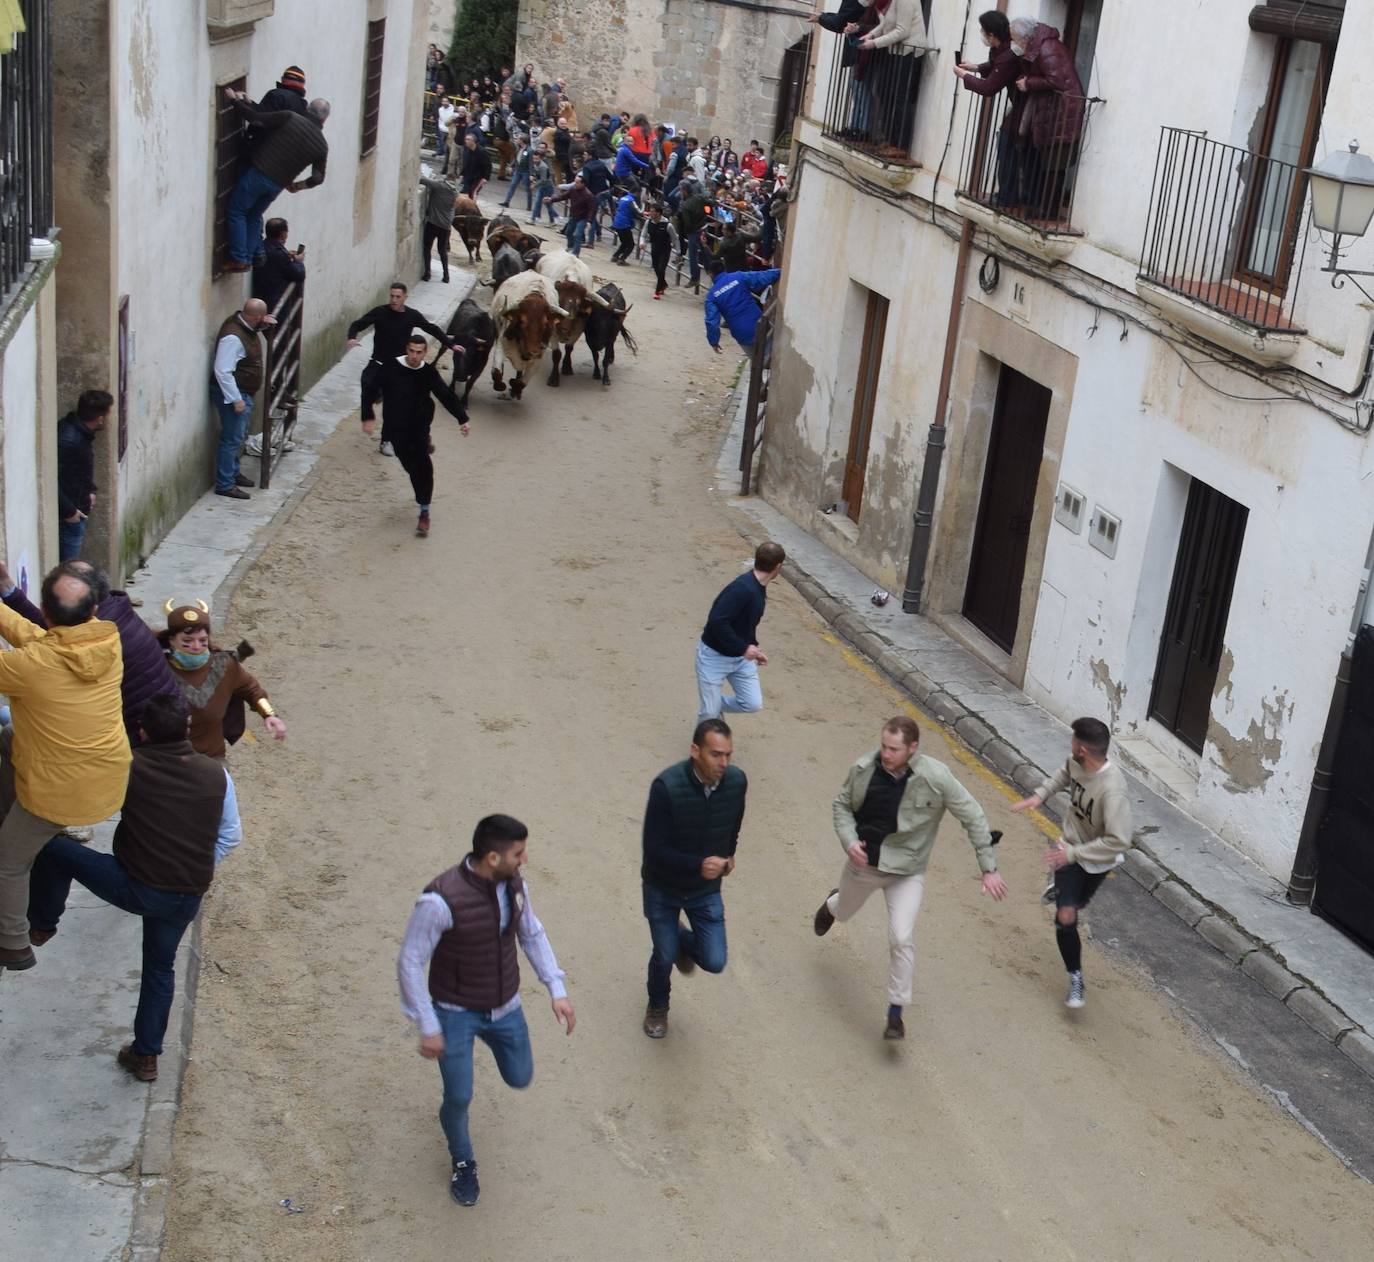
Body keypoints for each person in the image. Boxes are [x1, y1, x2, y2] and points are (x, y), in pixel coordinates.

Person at [27, 693, 242, 1081]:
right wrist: (190, 869)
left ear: (142, 731)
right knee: (159, 971)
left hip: (134, 885)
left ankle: (42, 923)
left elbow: (85, 806)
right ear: (187, 730)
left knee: (53, 848)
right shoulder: (217, 775)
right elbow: (231, 836)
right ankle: (146, 1057)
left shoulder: (128, 767)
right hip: (186, 897)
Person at [397, 814, 574, 1207]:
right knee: (459, 1096)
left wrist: (556, 989)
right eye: (519, 853)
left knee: (520, 1075)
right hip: (454, 1012)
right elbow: (410, 961)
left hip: (505, 1007)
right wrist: (428, 1025)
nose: (525, 859)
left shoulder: (514, 886)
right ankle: (463, 1160)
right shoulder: (439, 900)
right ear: (493, 857)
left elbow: (531, 933)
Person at [814, 716, 1007, 1038]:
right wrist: (849, 842)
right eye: (884, 746)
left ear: (913, 748)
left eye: (894, 749)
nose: (885, 754)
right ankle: (831, 905)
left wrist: (988, 868)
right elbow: (841, 806)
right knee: (844, 912)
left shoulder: (936, 777)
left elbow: (972, 815)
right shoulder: (863, 769)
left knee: (901, 938)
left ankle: (895, 1012)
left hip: (907, 872)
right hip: (864, 867)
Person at [0, 564, 130, 971]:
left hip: (59, 792)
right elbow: (43, 640)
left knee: (9, 861)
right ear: (94, 610)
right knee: (7, 742)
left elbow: (38, 652)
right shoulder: (107, 639)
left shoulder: (30, 666)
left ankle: (14, 944)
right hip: (106, 777)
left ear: (44, 608)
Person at [1012, 716, 1133, 1010]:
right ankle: (1075, 975)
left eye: (1073, 741)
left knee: (1076, 904)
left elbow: (1119, 841)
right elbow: (1064, 774)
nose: (1071, 745)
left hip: (1097, 859)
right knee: (1066, 917)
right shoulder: (1076, 761)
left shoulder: (1112, 790)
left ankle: (1063, 889)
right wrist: (1040, 795)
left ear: (1083, 749)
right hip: (1070, 847)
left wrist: (1074, 856)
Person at [640, 719, 747, 1039]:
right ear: (695, 751)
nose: (723, 763)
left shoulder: (737, 782)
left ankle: (680, 942)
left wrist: (728, 855)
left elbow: (734, 823)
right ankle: (658, 1007)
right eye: (716, 754)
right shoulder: (667, 787)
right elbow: (653, 850)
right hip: (663, 887)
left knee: (714, 960)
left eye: (727, 754)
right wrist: (698, 865)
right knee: (663, 954)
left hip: (704, 890)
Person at [0, 559, 177, 747]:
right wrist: (8, 590)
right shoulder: (108, 632)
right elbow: (44, 631)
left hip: (143, 742)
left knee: (13, 735)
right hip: (125, 745)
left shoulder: (46, 659)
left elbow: (44, 635)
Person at [361, 334, 469, 538]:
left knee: (423, 468)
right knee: (409, 465)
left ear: (425, 353)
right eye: (411, 351)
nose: (414, 356)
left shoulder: (428, 372)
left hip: (419, 427)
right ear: (406, 349)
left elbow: (445, 395)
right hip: (396, 429)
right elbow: (370, 389)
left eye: (419, 352)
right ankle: (420, 486)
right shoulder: (391, 367)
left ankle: (424, 511)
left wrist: (462, 419)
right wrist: (368, 416)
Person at [159, 601, 286, 759]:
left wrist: (269, 714)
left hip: (212, 756)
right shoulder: (157, 669)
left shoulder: (224, 665)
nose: (196, 646)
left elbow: (252, 689)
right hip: (168, 758)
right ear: (172, 640)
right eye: (187, 642)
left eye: (202, 641)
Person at [221, 88, 329, 270]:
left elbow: (256, 119)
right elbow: (318, 178)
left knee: (237, 211)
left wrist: (234, 101)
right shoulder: (321, 145)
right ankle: (246, 258)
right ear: (324, 119)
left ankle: (239, 257)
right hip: (277, 185)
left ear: (308, 109)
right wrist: (297, 186)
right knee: (254, 215)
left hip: (259, 173)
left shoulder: (289, 117)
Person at [346, 284, 456, 457]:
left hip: (397, 368)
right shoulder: (380, 312)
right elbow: (358, 324)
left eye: (398, 297)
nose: (394, 300)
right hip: (378, 362)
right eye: (392, 296)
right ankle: (371, 409)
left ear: (405, 297)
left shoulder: (412, 315)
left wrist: (450, 344)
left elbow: (431, 328)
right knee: (367, 384)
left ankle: (386, 441)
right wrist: (352, 337)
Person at [695, 540, 785, 721]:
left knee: (752, 703)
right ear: (778, 567)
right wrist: (744, 648)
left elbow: (744, 624)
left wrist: (753, 648)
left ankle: (713, 703)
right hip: (714, 657)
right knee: (709, 715)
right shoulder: (742, 589)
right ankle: (699, 747)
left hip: (740, 659)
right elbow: (716, 622)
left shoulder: (757, 588)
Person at [1007, 17, 1086, 220]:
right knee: (1047, 162)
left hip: (1062, 113)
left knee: (1054, 165)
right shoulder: (1040, 46)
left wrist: (1029, 83)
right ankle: (1041, 206)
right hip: (1053, 112)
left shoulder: (1048, 48)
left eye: (1015, 39)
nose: (1014, 43)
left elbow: (1057, 79)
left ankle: (1048, 211)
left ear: (1026, 37)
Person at [954, 11, 1026, 207]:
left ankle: (1007, 197)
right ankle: (1009, 194)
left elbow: (989, 87)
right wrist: (975, 68)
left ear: (992, 34)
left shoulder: (1009, 55)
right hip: (1021, 104)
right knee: (1007, 142)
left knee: (1006, 143)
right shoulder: (1003, 48)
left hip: (1027, 106)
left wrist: (963, 76)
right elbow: (995, 65)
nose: (982, 34)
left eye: (983, 31)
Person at [211, 299, 276, 499]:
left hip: (242, 391)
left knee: (238, 436)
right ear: (256, 317)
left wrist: (264, 325)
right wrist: (235, 399)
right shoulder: (233, 337)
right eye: (261, 319)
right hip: (234, 394)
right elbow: (222, 371)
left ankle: (232, 472)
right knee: (232, 439)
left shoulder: (244, 325)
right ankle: (225, 483)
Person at [55, 389, 111, 560]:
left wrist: (91, 491)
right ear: (100, 418)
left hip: (76, 510)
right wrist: (70, 512)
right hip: (70, 517)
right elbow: (52, 480)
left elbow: (81, 471)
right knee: (67, 569)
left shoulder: (80, 433)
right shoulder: (69, 439)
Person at [704, 268, 780, 353]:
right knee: (773, 355)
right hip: (759, 323)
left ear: (710, 274)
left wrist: (714, 342)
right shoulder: (739, 276)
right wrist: (779, 271)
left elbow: (712, 322)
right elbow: (762, 277)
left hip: (741, 333)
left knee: (756, 362)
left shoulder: (711, 297)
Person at [251, 217, 305, 314]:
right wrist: (299, 261)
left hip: (259, 297)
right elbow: (299, 275)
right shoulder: (280, 254)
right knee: (278, 326)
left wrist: (286, 255)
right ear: (283, 234)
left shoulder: (261, 247)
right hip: (276, 301)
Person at [419, 171, 457, 283]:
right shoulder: (455, 192)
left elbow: (422, 180)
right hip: (445, 226)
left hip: (433, 223)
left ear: (446, 178)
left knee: (427, 248)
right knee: (442, 251)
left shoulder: (440, 186)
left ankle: (427, 273)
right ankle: (446, 275)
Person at [547, 174, 595, 256]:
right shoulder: (573, 190)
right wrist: (551, 199)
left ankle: (575, 253)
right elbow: (563, 196)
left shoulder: (588, 195)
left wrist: (589, 221)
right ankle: (570, 246)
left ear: (583, 184)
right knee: (568, 232)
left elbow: (592, 209)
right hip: (574, 216)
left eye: (577, 182)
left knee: (578, 234)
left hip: (583, 217)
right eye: (575, 182)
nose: (575, 184)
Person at [646, 202, 673, 298]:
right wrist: (642, 242)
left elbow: (675, 238)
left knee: (661, 269)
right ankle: (663, 284)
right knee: (656, 267)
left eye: (652, 211)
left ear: (658, 213)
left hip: (665, 249)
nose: (650, 213)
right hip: (654, 248)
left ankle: (657, 291)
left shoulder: (668, 225)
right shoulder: (648, 222)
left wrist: (678, 251)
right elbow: (643, 234)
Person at [609, 179, 639, 263]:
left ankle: (615, 256)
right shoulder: (631, 200)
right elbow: (638, 210)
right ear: (637, 193)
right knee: (631, 244)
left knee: (624, 242)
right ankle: (622, 259)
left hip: (617, 222)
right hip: (624, 224)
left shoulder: (623, 198)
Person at [529, 145, 559, 224]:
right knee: (538, 203)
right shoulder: (537, 164)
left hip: (547, 187)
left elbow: (543, 179)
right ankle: (533, 219)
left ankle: (553, 220)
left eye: (536, 159)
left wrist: (534, 185)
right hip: (542, 187)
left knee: (548, 204)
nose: (535, 160)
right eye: (534, 158)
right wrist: (533, 178)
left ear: (540, 158)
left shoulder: (543, 167)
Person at [457, 131, 492, 198]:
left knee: (473, 193)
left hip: (479, 177)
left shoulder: (481, 152)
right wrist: (462, 174)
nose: (466, 141)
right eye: (465, 139)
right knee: (469, 193)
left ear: (473, 141)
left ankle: (472, 207)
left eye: (468, 139)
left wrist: (486, 178)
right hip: (470, 176)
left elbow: (488, 165)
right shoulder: (468, 150)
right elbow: (467, 163)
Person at [435, 94, 457, 164]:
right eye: (443, 101)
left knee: (450, 148)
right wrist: (440, 127)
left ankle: (450, 162)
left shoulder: (453, 109)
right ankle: (445, 163)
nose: (444, 103)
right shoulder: (440, 109)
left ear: (449, 102)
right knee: (443, 147)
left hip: (450, 131)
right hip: (442, 130)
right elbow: (440, 119)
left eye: (446, 101)